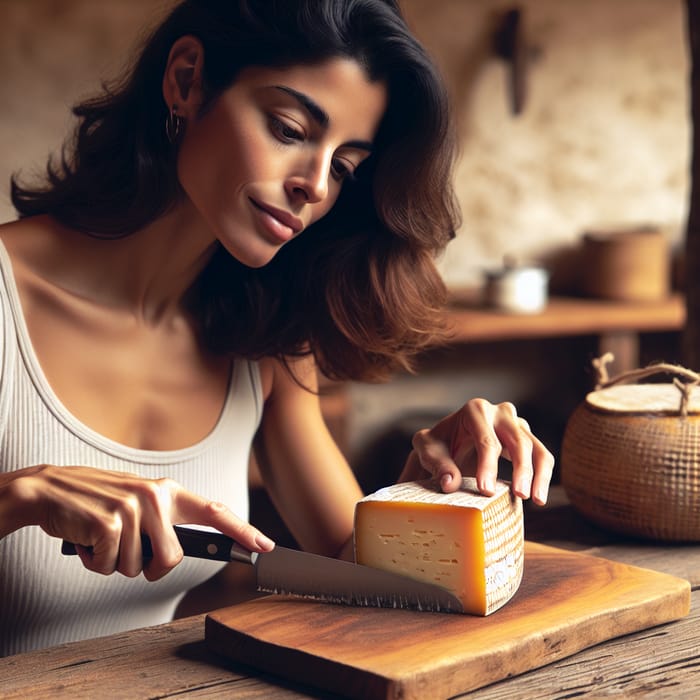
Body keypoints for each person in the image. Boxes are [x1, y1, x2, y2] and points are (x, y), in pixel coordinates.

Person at [0, 0, 554, 656]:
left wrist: (431, 490)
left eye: (345, 166)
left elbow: (363, 576)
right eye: (289, 128)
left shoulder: (264, 341)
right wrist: (18, 498)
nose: (316, 185)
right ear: (186, 80)